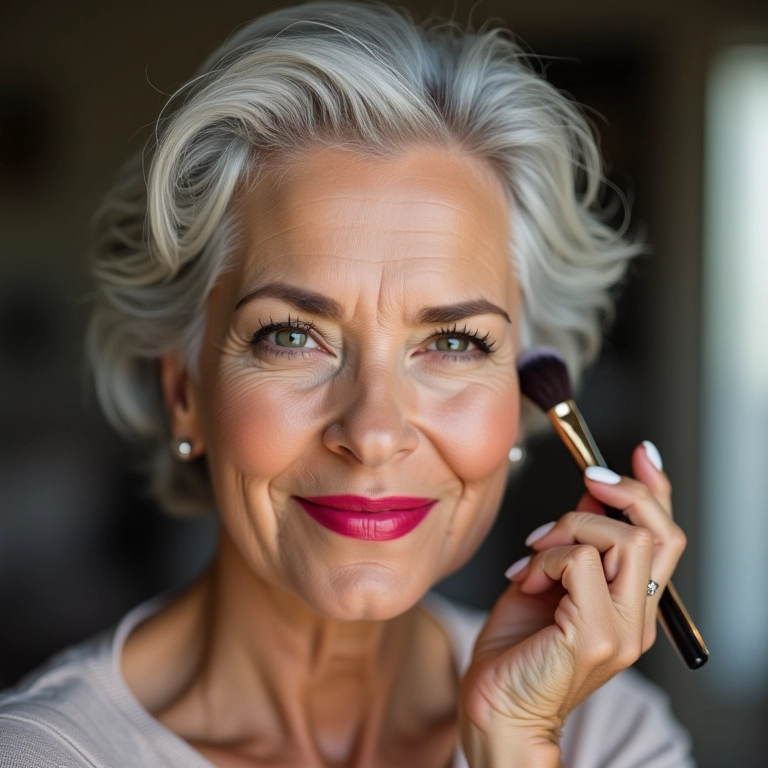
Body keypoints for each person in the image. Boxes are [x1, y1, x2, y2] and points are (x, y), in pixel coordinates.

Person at [0, 2, 694, 765]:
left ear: (522, 396)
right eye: (293, 336)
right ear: (185, 393)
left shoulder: (612, 737)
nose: (372, 433)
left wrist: (517, 742)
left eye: (453, 343)